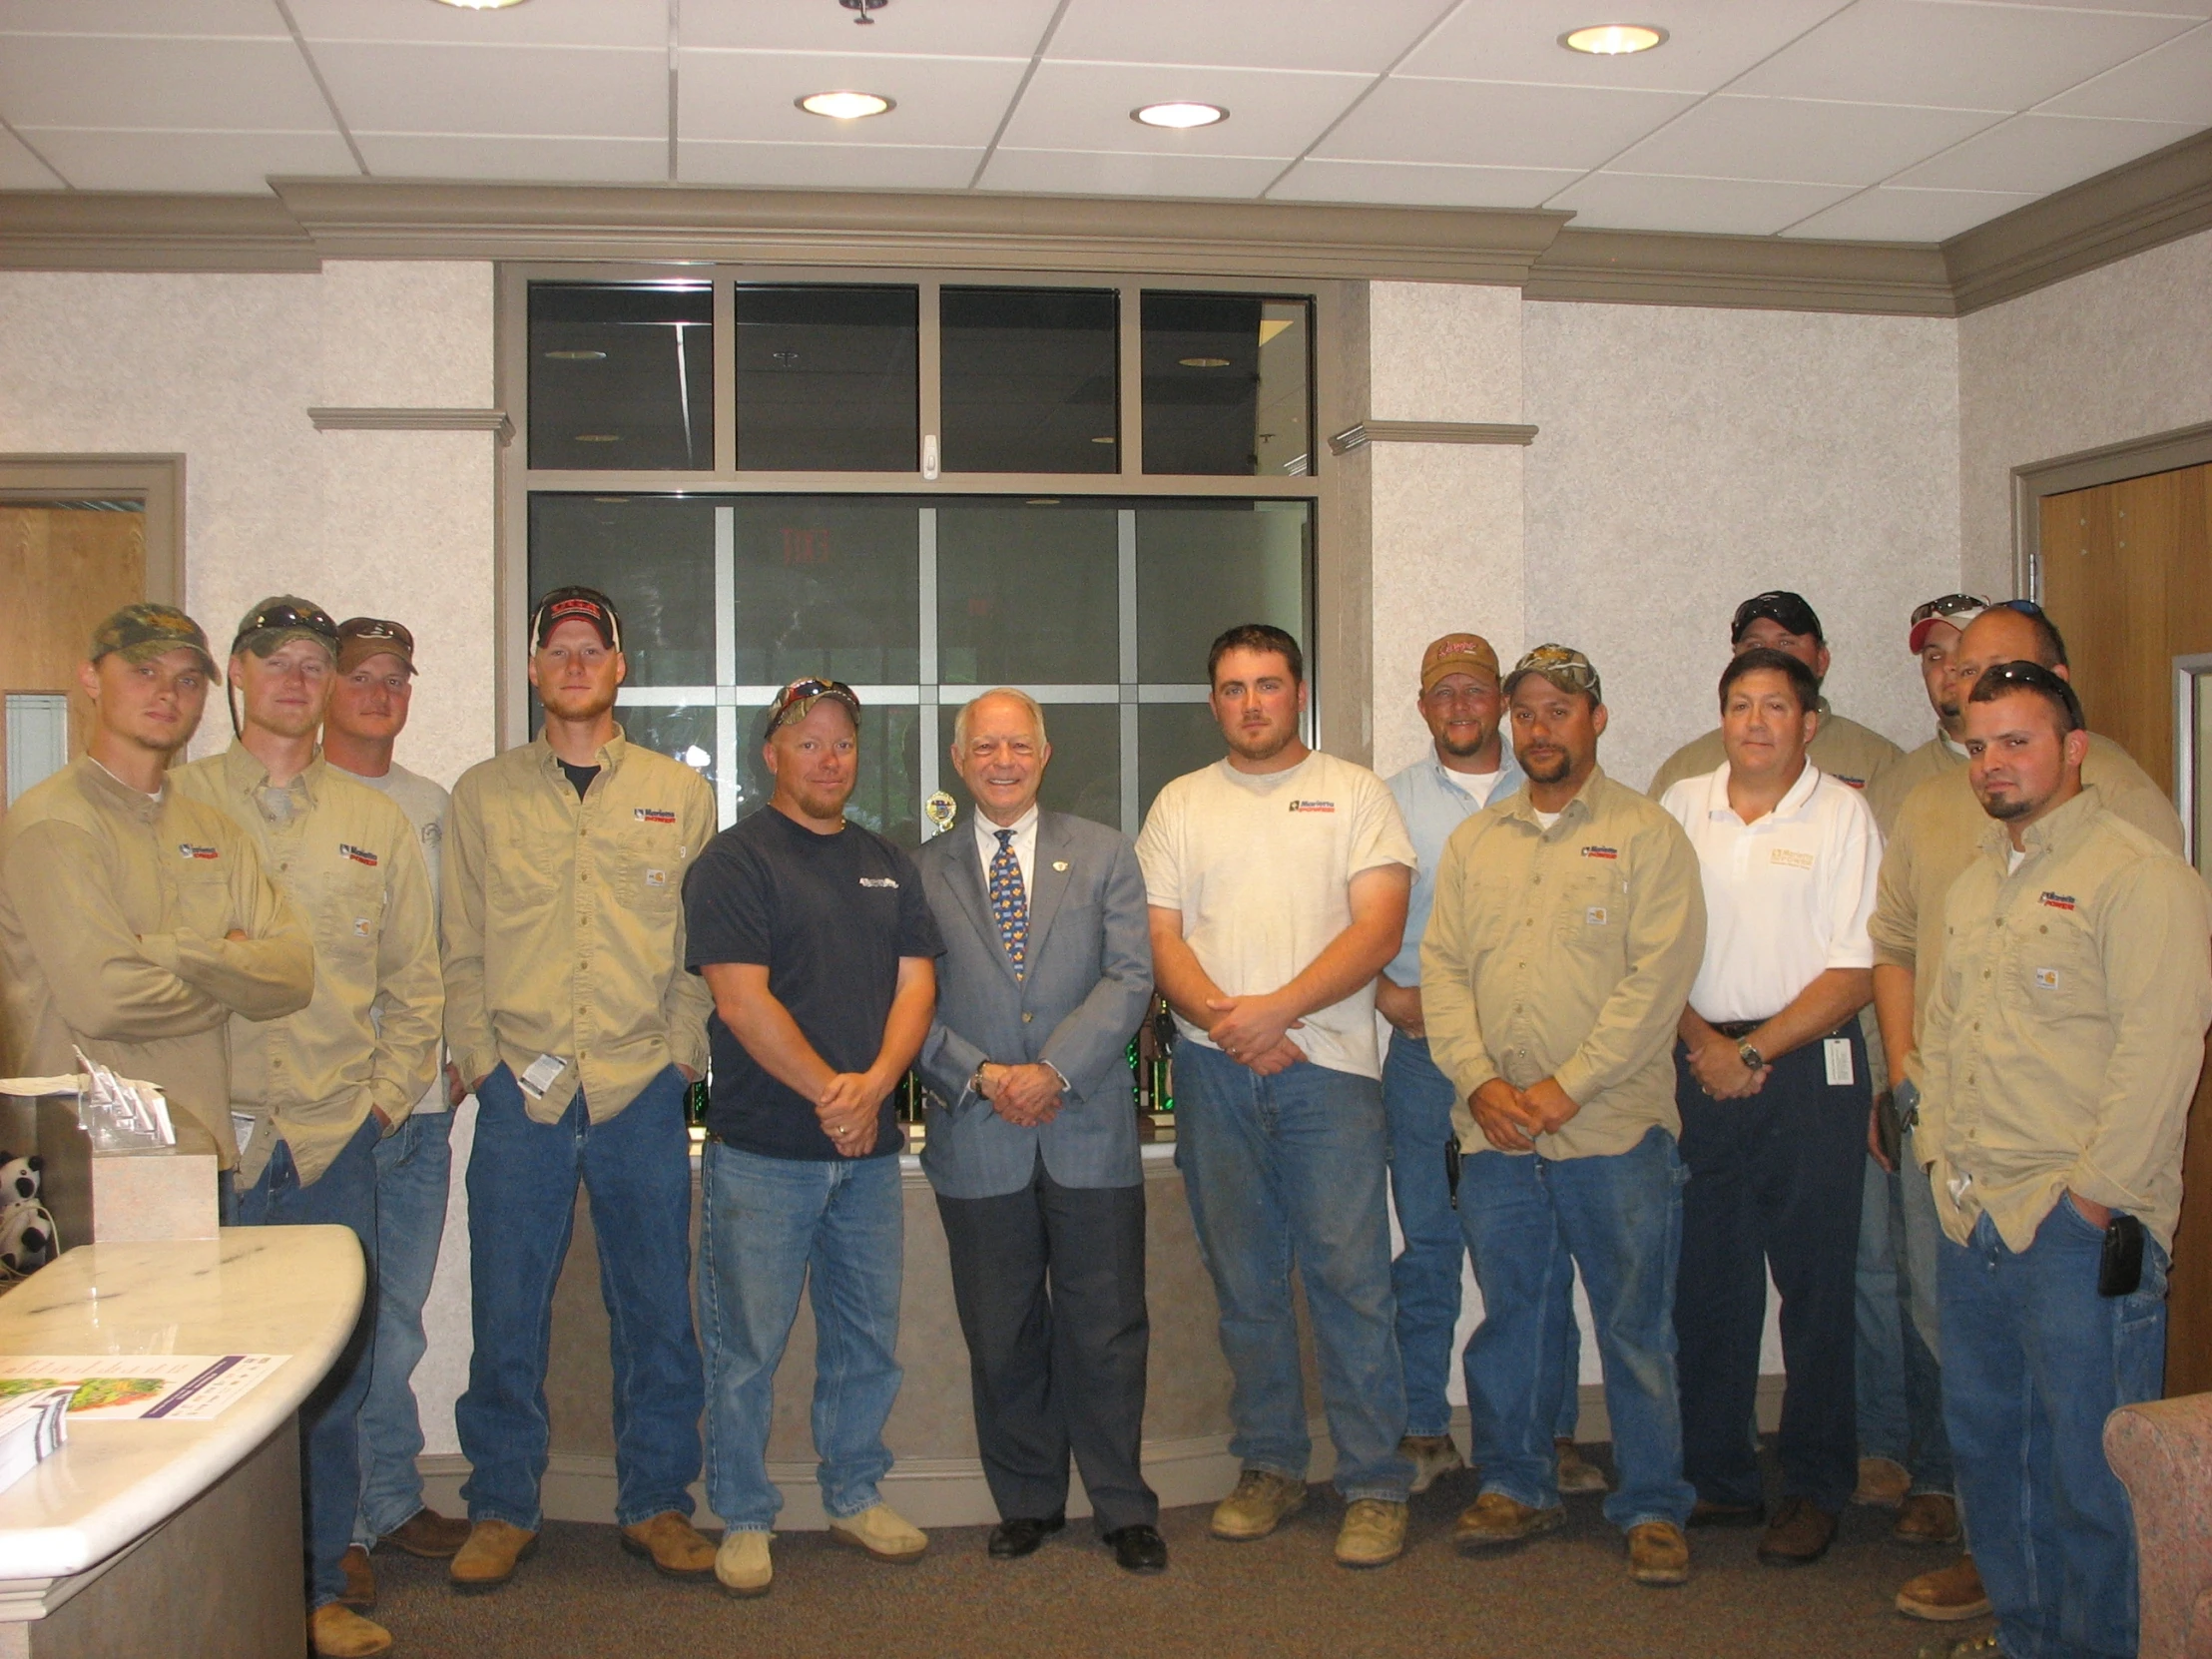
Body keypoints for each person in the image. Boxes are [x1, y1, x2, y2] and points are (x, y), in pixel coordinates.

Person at [1868, 600, 2182, 1626]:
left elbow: (2159, 1054)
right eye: (1978, 744)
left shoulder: (2139, 878)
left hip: (2074, 1229)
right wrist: (1941, 1166)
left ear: (2072, 748)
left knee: (2089, 1475)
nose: (1992, 761)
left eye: (2017, 741)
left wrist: (2088, 1202)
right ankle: (2024, 1637)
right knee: (1992, 1459)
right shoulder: (1974, 885)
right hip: (1972, 1217)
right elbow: (1944, 1042)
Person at [172, 596, 442, 1659]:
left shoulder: (373, 822)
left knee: (332, 1378)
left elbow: (415, 990)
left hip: (335, 1143)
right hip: (209, 1146)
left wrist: (378, 1107)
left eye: (314, 663)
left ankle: (323, 1587)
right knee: (203, 1378)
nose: (296, 677)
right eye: (274, 659)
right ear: (235, 674)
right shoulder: (177, 806)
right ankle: (214, 1595)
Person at [443, 586, 718, 1592]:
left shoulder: (676, 795)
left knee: (653, 1307)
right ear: (531, 667)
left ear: (618, 666)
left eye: (589, 647)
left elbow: (696, 951)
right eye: (553, 647)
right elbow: (459, 950)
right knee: (506, 1307)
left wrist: (681, 1054)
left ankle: (657, 1503)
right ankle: (502, 1506)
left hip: (639, 1086)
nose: (572, 661)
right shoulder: (483, 796)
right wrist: (480, 1063)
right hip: (521, 1092)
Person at [1136, 623, 1417, 1569]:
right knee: (1245, 1283)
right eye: (1231, 688)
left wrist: (1275, 1014)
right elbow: (1161, 937)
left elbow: (1378, 930)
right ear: (1212, 701)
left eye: (1266, 684)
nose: (1250, 703)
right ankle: (1270, 1465)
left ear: (1297, 691)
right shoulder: (1180, 804)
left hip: (1329, 1070)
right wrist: (1229, 1023)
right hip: (1216, 1074)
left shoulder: (1355, 794)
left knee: (1351, 1280)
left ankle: (1376, 1481)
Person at [1423, 645, 1705, 1588]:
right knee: (1515, 1320)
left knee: (1636, 1324)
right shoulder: (1478, 843)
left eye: (1560, 711)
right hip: (1496, 1131)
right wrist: (1479, 1083)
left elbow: (1653, 984)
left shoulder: (1647, 835)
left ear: (1597, 718)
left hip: (1614, 1129)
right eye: (1527, 713)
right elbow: (1446, 972)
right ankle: (1515, 1482)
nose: (1540, 729)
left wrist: (1566, 1088)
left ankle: (1654, 1503)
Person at [684, 677, 942, 1599]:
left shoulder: (886, 861)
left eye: (841, 744)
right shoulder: (735, 861)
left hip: (868, 1152)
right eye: (808, 743)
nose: (828, 759)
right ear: (772, 755)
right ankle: (745, 1514)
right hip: (763, 1151)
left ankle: (853, 1492)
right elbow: (740, 1000)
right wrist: (834, 1093)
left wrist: (872, 1089)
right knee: (747, 1345)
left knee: (866, 1337)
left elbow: (917, 987)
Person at [912, 690, 1164, 1574]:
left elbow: (1131, 979)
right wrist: (984, 1076)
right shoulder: (922, 870)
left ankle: (1123, 1505)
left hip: (1086, 1128)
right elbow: (905, 1006)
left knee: (1105, 1327)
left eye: (1019, 745)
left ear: (1045, 754)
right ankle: (1028, 1500)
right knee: (1002, 1328)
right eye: (986, 747)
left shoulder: (1103, 855)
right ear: (959, 758)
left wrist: (1052, 1071)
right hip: (978, 1134)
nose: (1003, 760)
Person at [1659, 648, 1880, 1567]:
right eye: (1740, 705)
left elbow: (1856, 968)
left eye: (1776, 707)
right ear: (1722, 717)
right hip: (1697, 1055)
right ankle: (1720, 1476)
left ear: (1809, 721)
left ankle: (1817, 1486)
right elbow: (1650, 940)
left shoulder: (1843, 814)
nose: (1756, 722)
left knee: (1818, 1289)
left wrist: (1752, 1049)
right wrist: (1705, 1041)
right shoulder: (1682, 807)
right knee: (1709, 1283)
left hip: (1805, 1065)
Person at [1379, 634, 1600, 1499]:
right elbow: (1348, 915)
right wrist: (1383, 995)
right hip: (1428, 1060)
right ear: (1424, 704)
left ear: (1501, 704)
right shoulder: (1388, 802)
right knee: (1429, 1246)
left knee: (1538, 1255)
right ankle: (1425, 1427)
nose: (1462, 708)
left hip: (1533, 1068)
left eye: (1479, 692)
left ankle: (1553, 1431)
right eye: (1446, 694)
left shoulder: (1551, 785)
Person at [0, 603, 311, 1172]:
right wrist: (232, 976)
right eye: (144, 672)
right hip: (83, 1161)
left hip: (198, 1153)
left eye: (187, 680)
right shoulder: (54, 822)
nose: (168, 693)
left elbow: (292, 975)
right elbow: (104, 1000)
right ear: (91, 678)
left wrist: (168, 953)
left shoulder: (211, 829)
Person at [320, 617, 474, 1596]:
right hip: (327, 1121)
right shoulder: (293, 805)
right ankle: (331, 1524)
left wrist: (461, 1057)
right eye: (360, 676)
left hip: (421, 1111)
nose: (380, 692)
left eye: (395, 678)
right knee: (332, 1324)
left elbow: (459, 941)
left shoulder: (432, 807)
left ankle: (387, 1497)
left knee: (401, 1318)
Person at [1856, 595, 1982, 1545]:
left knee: (1971, 1293)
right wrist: (1886, 1078)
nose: (1948, 673)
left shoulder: (2081, 777)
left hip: (2024, 1095)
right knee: (1908, 1279)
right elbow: (1881, 943)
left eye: (1965, 655)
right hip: (1913, 1077)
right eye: (1935, 659)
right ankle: (1921, 1465)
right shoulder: (1900, 788)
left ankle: (1964, 1485)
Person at [1648, 590, 1903, 800]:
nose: (1769, 657)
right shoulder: (1686, 770)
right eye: (1755, 645)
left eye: (1786, 643)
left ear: (1822, 659)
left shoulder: (1878, 763)